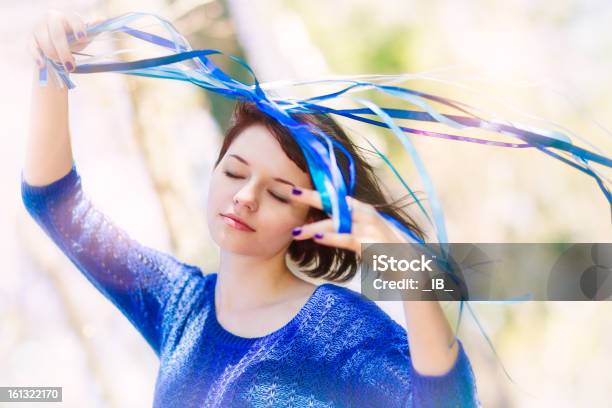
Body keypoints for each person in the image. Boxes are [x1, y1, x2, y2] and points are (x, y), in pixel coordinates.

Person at [22, 10, 480, 407]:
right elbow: (54, 202)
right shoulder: (179, 305)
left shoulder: (337, 328)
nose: (245, 197)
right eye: (235, 173)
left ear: (309, 219)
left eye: (280, 193)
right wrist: (52, 68)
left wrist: (407, 272)